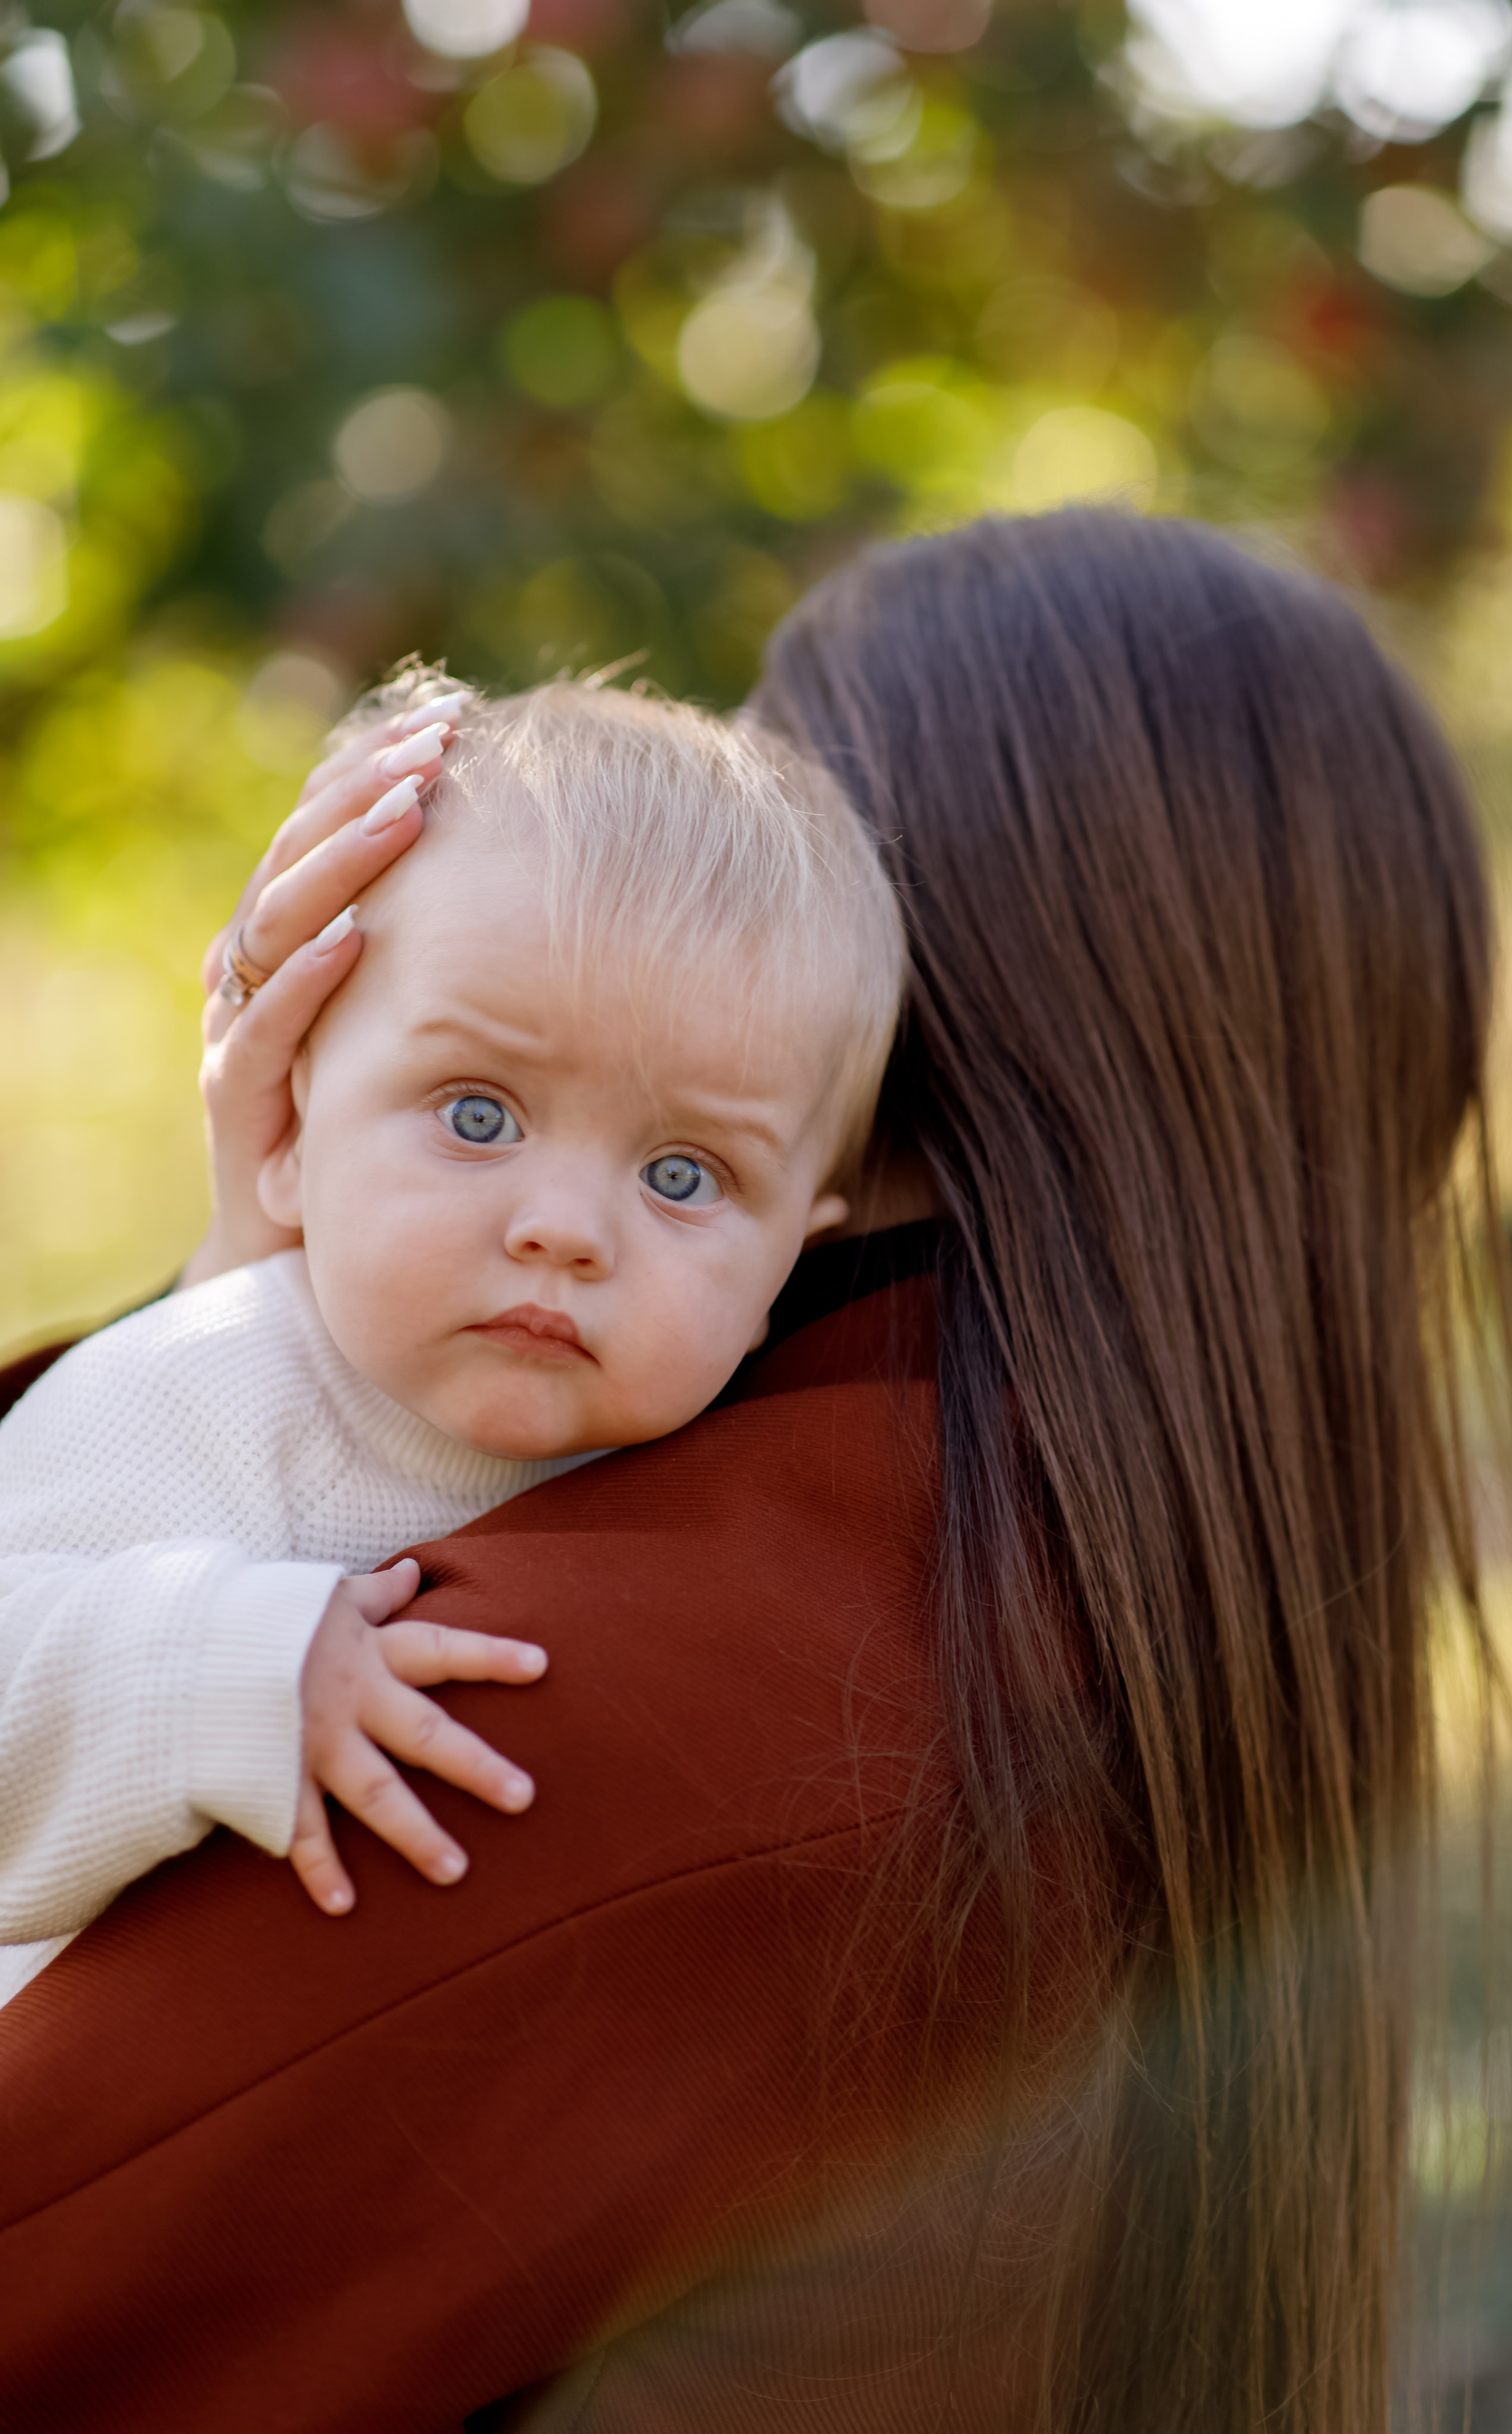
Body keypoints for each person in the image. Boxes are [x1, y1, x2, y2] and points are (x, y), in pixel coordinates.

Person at [0, 509, 1512, 2434]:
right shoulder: (1142, 1674)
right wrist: (258, 1292)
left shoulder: (589, 1703)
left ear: (897, 1036)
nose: (557, 1219)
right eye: (478, 1105)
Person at [0, 680, 899, 1987]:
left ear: (787, 1271)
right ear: (292, 1128)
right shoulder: (202, 1384)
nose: (564, 1229)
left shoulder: (737, 1493)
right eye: (479, 1116)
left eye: (683, 1176)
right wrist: (232, 1661)